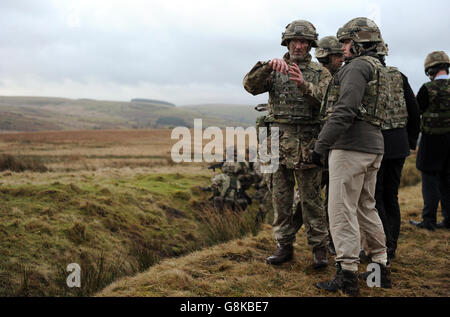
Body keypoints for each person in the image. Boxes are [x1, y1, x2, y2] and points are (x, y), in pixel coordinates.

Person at [312, 17, 392, 296]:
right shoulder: (381, 69)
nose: (343, 48)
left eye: (346, 42)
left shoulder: (356, 68)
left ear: (360, 41)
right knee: (365, 207)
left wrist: (321, 145)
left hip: (350, 148)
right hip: (374, 146)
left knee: (341, 210)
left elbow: (344, 110)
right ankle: (379, 271)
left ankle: (347, 275)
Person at [243, 20, 331, 268]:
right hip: (277, 143)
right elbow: (250, 87)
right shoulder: (274, 68)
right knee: (280, 200)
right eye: (295, 41)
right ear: (287, 42)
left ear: (311, 45)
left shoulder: (320, 72)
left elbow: (326, 102)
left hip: (307, 143)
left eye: (304, 42)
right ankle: (284, 246)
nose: (299, 46)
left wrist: (304, 85)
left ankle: (319, 249)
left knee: (311, 199)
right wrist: (266, 67)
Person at [369, 41, 420, 261]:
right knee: (391, 196)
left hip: (375, 144)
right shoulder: (399, 76)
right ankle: (391, 247)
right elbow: (414, 110)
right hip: (398, 145)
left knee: (375, 197)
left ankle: (382, 248)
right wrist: (410, 141)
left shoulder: (366, 75)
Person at [409, 51, 450, 230]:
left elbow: (415, 113)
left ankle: (429, 221)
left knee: (429, 182)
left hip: (431, 141)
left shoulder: (427, 88)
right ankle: (448, 220)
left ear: (430, 69)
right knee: (448, 181)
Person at [314, 35, 345, 255]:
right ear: (326, 56)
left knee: (336, 199)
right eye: (337, 56)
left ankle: (332, 241)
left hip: (336, 146)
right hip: (317, 146)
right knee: (309, 198)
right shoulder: (316, 77)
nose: (341, 59)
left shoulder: (345, 77)